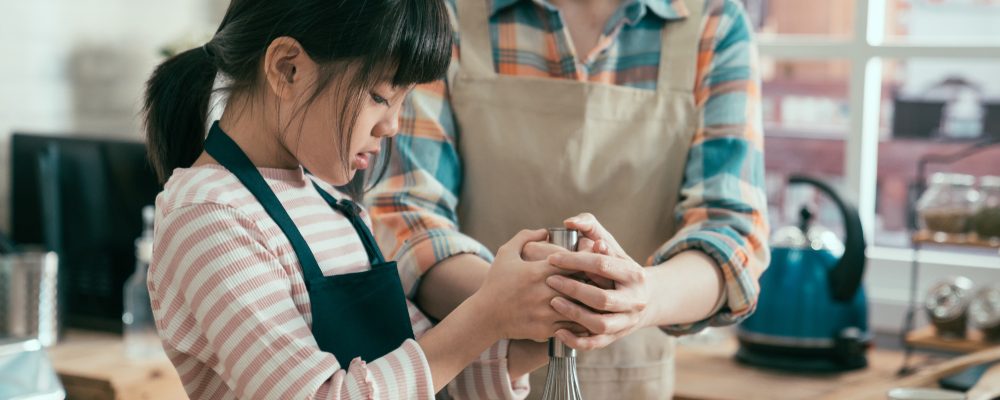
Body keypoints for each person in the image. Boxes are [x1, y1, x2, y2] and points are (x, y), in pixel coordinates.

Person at [142, 0, 575, 398]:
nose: (392, 126)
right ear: (287, 68)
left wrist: (550, 314)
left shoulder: (333, 204)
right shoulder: (207, 216)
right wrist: (486, 314)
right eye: (380, 97)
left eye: (405, 100)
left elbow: (426, 372)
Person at [367, 0, 771, 398]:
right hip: (468, 378)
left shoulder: (713, 23)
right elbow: (404, 213)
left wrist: (643, 297)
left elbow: (732, 231)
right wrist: (505, 302)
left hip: (631, 381)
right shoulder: (447, 13)